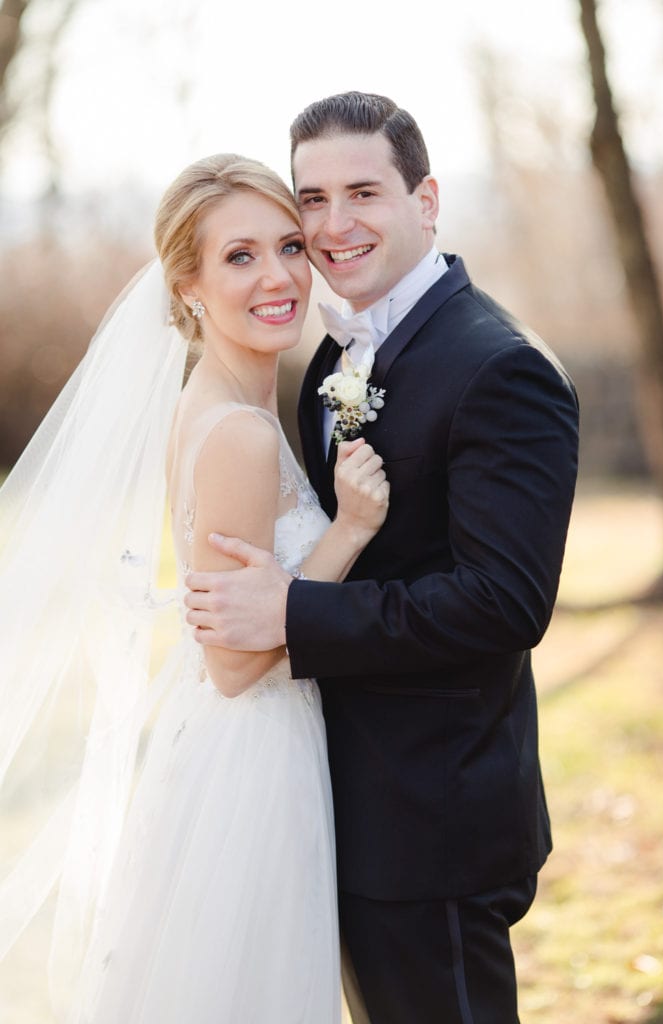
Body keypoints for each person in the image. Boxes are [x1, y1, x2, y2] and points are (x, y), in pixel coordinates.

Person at [185, 92, 580, 1024]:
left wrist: (290, 614)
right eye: (311, 199)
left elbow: (501, 604)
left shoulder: (497, 367)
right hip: (342, 801)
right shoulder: (332, 361)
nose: (332, 224)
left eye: (362, 192)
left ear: (427, 199)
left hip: (431, 817)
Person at [0, 154, 389, 1023]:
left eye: (289, 245)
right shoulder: (237, 436)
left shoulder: (217, 402)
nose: (280, 275)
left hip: (226, 746)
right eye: (239, 257)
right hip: (248, 760)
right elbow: (234, 664)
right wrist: (350, 532)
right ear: (188, 287)